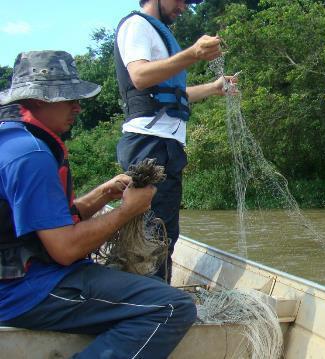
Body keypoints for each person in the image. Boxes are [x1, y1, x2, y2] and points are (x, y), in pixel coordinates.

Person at [0, 50, 197, 358]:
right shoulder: (33, 156)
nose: (77, 107)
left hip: (15, 279)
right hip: (20, 292)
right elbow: (65, 250)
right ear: (38, 100)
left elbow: (41, 225)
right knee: (172, 307)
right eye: (68, 98)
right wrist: (128, 210)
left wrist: (102, 195)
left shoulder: (13, 138)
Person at [115, 0, 235, 283]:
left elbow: (172, 94)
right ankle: (154, 304)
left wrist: (214, 88)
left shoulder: (157, 33)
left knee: (165, 231)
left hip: (162, 145)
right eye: (181, 0)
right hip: (149, 144)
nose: (184, 7)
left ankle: (157, 297)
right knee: (154, 234)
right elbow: (140, 76)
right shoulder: (137, 25)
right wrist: (193, 53)